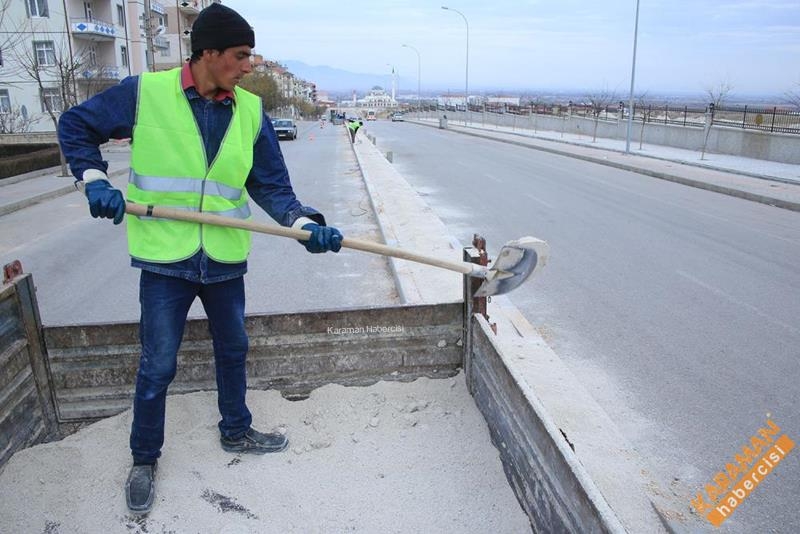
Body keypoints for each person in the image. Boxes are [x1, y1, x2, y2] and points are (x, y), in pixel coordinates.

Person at [57, 3, 343, 514]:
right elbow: (76, 125)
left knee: (233, 349)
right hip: (165, 258)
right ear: (208, 53)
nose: (249, 65)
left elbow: (273, 187)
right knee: (158, 363)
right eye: (240, 55)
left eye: (251, 55)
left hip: (224, 259)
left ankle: (236, 431)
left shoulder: (251, 111)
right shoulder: (147, 93)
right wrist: (94, 179)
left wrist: (304, 226)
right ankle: (144, 457)